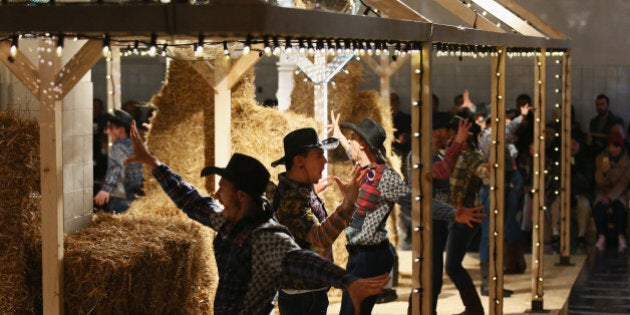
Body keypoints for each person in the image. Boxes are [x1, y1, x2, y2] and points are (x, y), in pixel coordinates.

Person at [125, 121, 390, 315]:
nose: (216, 195)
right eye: (319, 154)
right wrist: (153, 164)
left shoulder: (265, 237)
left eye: (222, 188)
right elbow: (192, 201)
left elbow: (303, 260)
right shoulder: (228, 221)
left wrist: (348, 282)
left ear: (241, 196)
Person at [271, 128, 367, 315]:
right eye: (318, 156)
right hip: (304, 299)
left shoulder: (298, 191)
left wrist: (312, 193)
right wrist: (348, 204)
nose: (324, 161)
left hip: (306, 294)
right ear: (299, 161)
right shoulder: (293, 199)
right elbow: (320, 238)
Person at [328, 115, 407, 314]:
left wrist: (451, 213)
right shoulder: (363, 168)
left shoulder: (386, 176)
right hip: (358, 255)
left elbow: (414, 202)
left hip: (371, 257)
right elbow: (350, 151)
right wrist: (338, 134)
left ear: (362, 144)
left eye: (353, 137)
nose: (349, 141)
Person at [445, 112, 485, 315]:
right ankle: (473, 307)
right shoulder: (455, 153)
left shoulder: (473, 157)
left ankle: (474, 308)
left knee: (452, 265)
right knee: (452, 264)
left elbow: (484, 171)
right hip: (455, 214)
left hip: (466, 216)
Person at [93, 109, 143, 213]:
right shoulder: (138, 145)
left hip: (122, 197)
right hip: (138, 196)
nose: (108, 132)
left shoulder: (118, 146)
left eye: (111, 128)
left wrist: (106, 189)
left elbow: (116, 167)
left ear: (121, 129)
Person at [593, 131, 630, 252]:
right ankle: (601, 236)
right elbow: (598, 180)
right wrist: (604, 173)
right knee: (600, 207)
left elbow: (623, 183)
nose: (613, 149)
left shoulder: (627, 161)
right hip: (603, 190)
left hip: (618, 193)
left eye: (616, 146)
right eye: (611, 146)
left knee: (620, 207)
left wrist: (610, 197)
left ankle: (620, 236)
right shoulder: (601, 158)